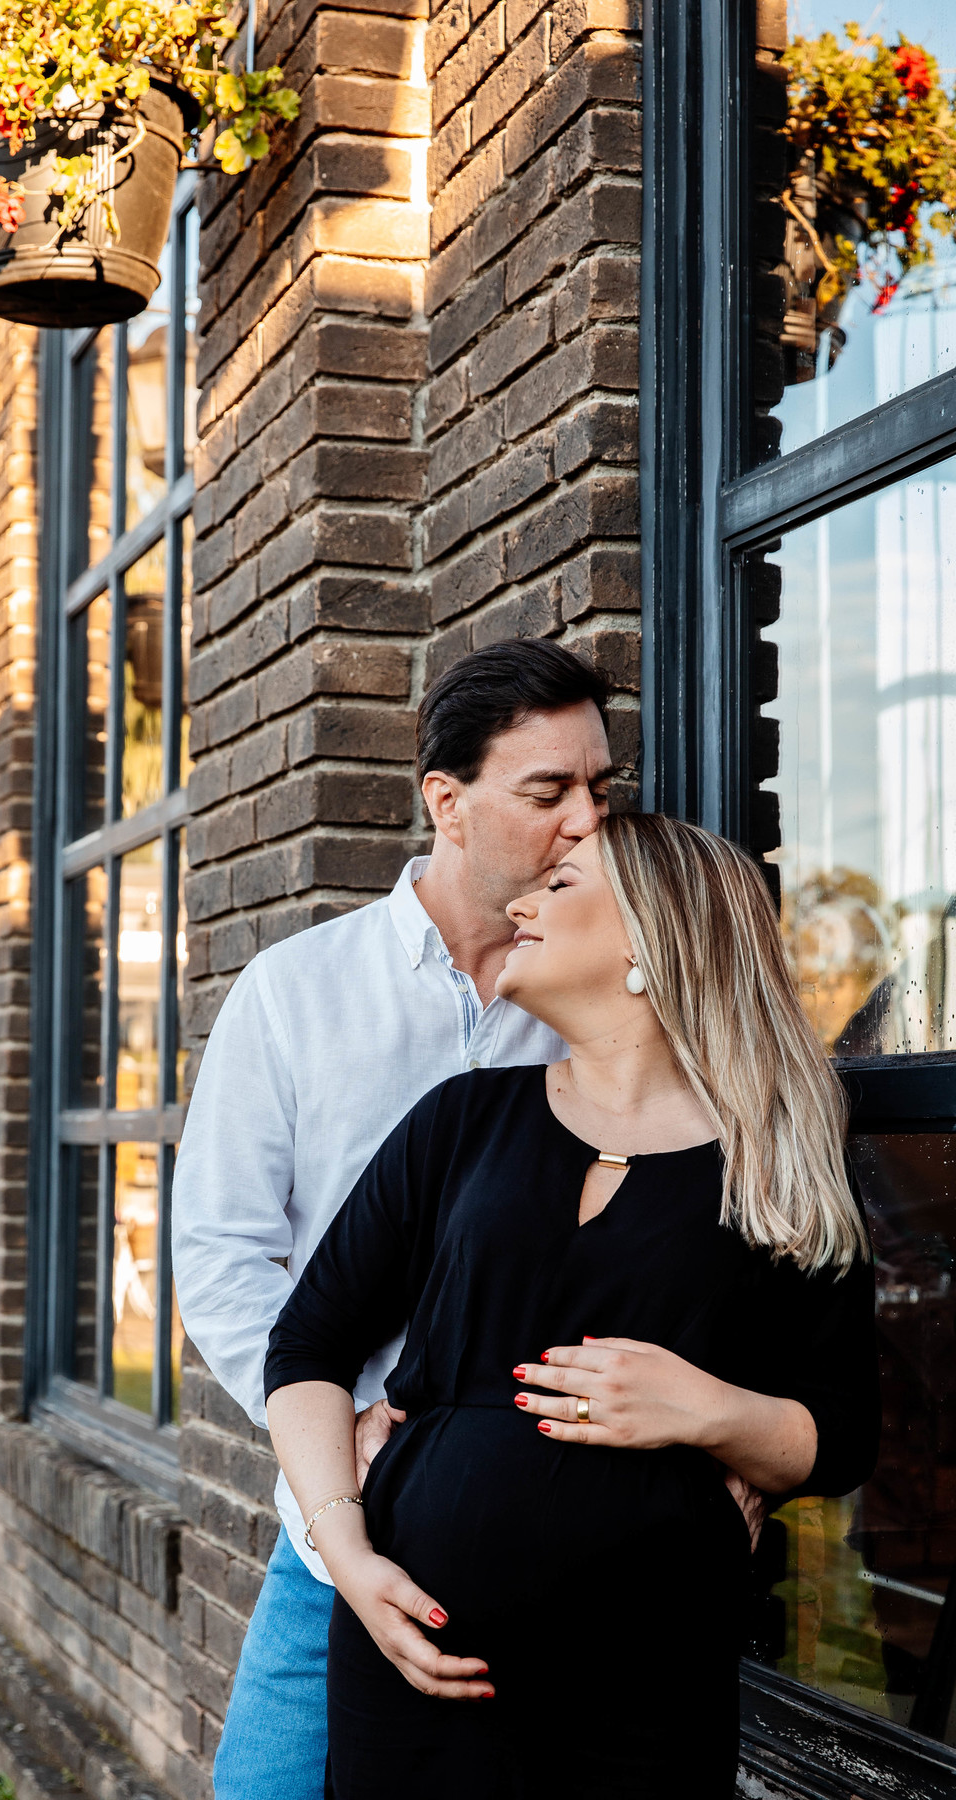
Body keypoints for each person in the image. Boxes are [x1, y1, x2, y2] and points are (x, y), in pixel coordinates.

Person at [264, 815, 881, 1800]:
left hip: (641, 1688)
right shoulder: (461, 1119)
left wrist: (710, 1412)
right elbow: (307, 1343)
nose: (521, 904)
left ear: (649, 938)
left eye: (561, 886)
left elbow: (843, 1433)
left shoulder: (779, 1164)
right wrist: (346, 1554)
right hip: (413, 1659)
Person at [172, 641, 616, 1800]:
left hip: (546, 1531)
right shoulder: (295, 993)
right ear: (446, 802)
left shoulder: (608, 1001)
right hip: (339, 1528)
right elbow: (220, 1252)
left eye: (598, 788)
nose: (586, 821)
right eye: (548, 790)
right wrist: (345, 1427)